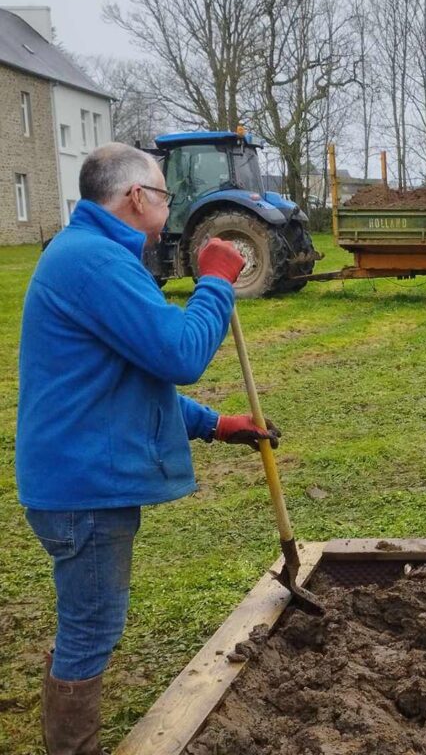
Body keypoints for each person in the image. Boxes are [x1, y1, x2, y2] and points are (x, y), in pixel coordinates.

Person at [16, 143, 281, 755]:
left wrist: (214, 424)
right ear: (137, 197)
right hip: (82, 487)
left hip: (79, 477)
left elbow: (124, 379)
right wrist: (215, 282)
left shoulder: (93, 255)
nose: (167, 206)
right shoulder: (94, 262)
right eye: (163, 195)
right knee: (90, 630)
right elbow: (178, 354)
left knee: (88, 622)